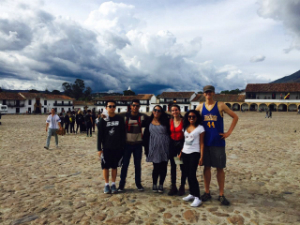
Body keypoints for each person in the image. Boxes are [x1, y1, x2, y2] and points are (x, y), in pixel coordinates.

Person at [196, 85, 238, 206]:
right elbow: (191, 119)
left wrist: (228, 133)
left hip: (218, 142)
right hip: (205, 142)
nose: (208, 94)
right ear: (203, 94)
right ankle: (207, 192)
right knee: (207, 167)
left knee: (220, 168)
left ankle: (221, 194)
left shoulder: (220, 105)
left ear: (213, 93)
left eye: (210, 92)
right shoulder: (200, 106)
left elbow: (235, 116)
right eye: (206, 92)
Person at [118, 99, 148, 192]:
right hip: (127, 145)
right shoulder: (124, 116)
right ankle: (121, 184)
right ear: (130, 106)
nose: (135, 107)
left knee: (137, 165)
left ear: (139, 107)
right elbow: (113, 117)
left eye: (137, 106)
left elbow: (155, 118)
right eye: (134, 105)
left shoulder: (143, 117)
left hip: (138, 145)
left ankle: (138, 184)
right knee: (125, 165)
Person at [97, 100, 126, 194]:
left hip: (117, 147)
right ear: (106, 107)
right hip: (106, 147)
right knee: (105, 167)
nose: (112, 108)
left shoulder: (120, 119)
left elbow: (123, 133)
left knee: (114, 166)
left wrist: (123, 146)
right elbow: (99, 135)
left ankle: (113, 184)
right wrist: (99, 149)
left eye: (114, 106)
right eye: (110, 106)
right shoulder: (103, 120)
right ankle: (106, 185)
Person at [178, 110, 205, 207]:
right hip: (185, 152)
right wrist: (181, 152)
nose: (191, 118)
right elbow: (185, 141)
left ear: (197, 117)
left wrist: (201, 156)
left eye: (193, 116)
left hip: (194, 153)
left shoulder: (200, 128)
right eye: (189, 117)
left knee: (192, 174)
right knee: (186, 174)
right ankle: (192, 194)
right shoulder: (185, 127)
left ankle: (198, 197)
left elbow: (202, 143)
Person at [143, 105, 170, 193]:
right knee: (156, 167)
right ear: (152, 111)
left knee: (164, 166)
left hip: (165, 146)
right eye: (155, 110)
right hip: (153, 147)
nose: (156, 112)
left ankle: (161, 184)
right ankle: (154, 184)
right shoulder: (148, 121)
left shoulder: (166, 121)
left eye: (158, 111)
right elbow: (136, 121)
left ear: (161, 112)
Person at [168, 105, 187, 196]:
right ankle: (173, 186)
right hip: (172, 146)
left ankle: (182, 185)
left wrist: (183, 150)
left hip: (181, 146)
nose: (174, 112)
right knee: (173, 166)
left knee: (182, 166)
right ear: (171, 112)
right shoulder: (170, 121)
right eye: (172, 110)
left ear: (179, 111)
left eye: (176, 110)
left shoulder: (184, 121)